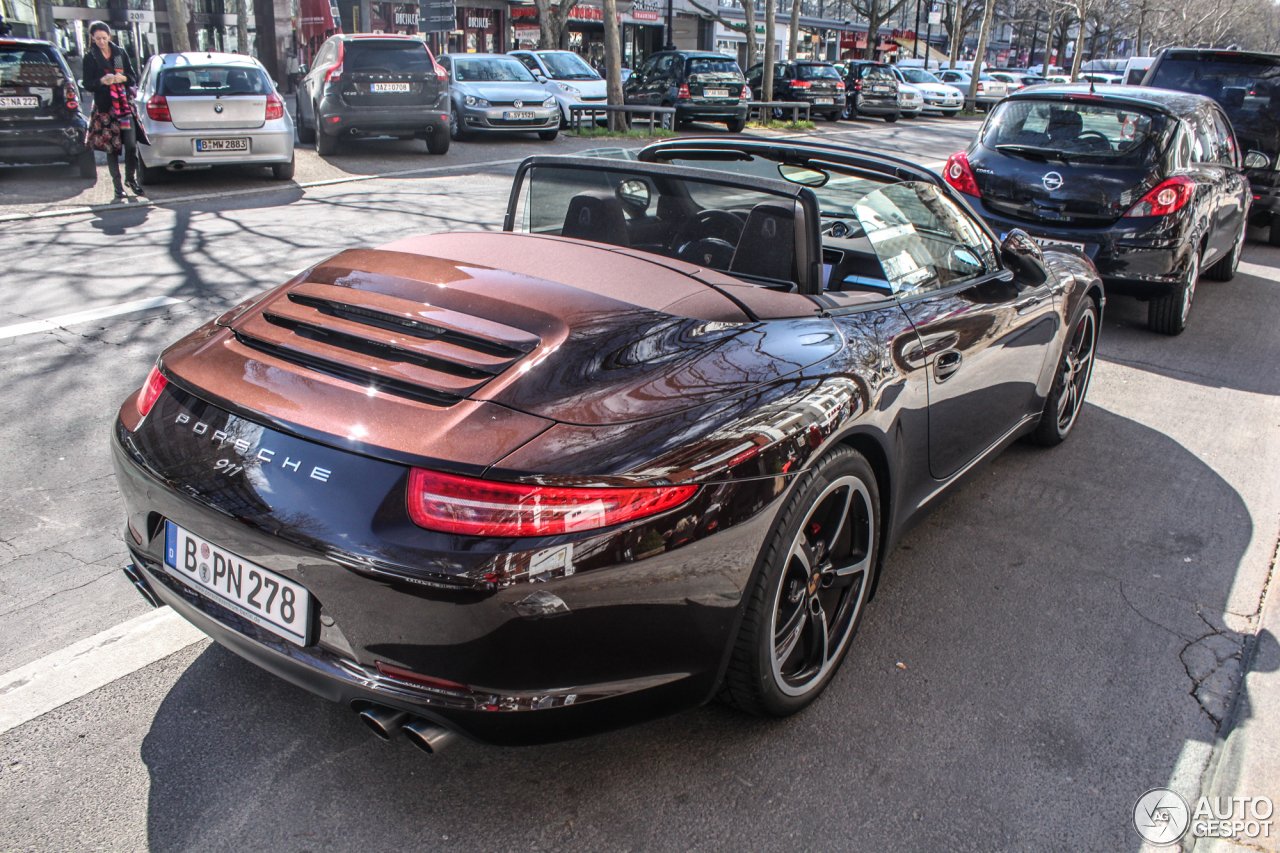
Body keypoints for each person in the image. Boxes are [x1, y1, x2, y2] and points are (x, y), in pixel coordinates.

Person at [82, 21, 144, 200]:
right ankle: (118, 186)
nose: (101, 41)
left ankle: (131, 180)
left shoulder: (120, 53)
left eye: (104, 38)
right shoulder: (90, 57)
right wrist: (102, 81)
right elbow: (87, 84)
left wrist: (122, 77)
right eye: (97, 39)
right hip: (105, 109)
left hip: (125, 106)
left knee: (131, 145)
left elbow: (132, 78)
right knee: (112, 148)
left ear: (110, 36)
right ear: (92, 38)